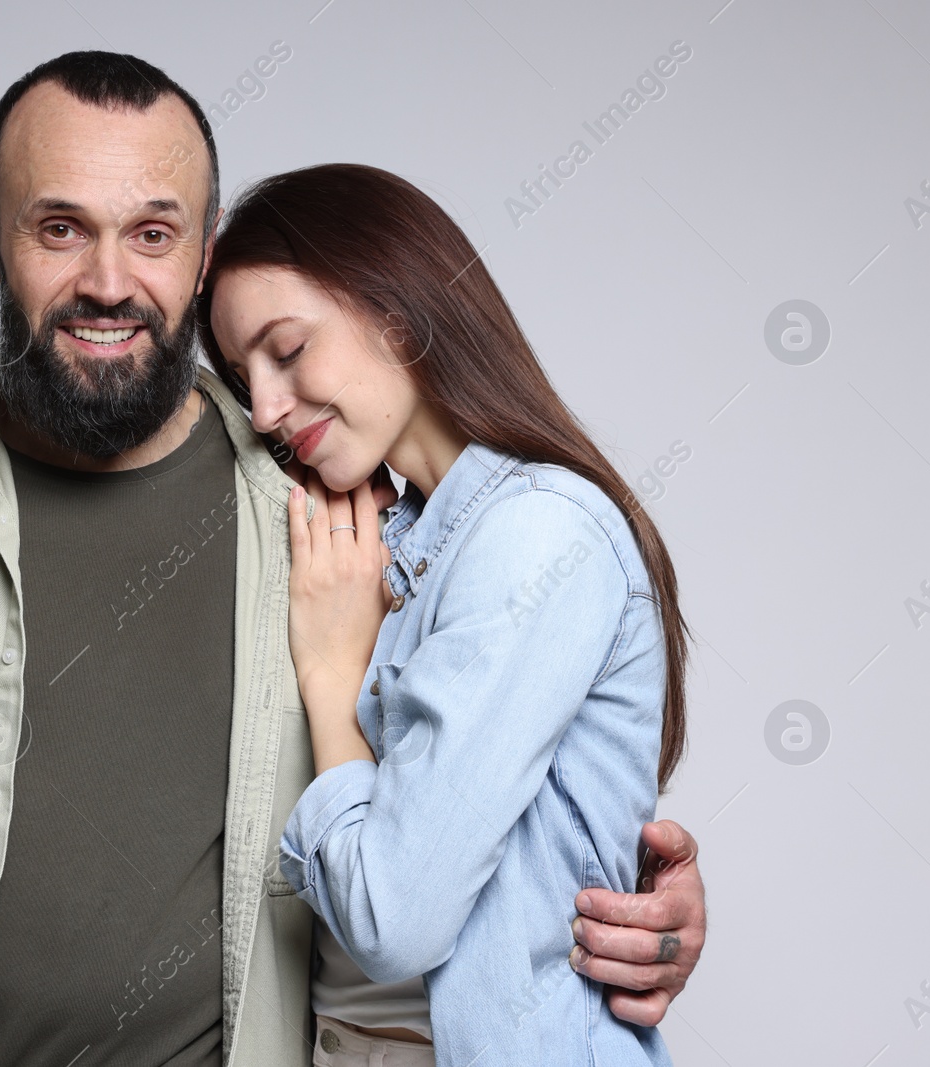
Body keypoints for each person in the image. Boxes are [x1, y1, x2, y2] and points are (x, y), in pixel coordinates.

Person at [0, 53, 706, 1067]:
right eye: (59, 227)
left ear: (203, 253)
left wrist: (625, 900)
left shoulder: (345, 505)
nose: (109, 279)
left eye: (153, 232)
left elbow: (462, 805)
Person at [200, 163, 691, 1065]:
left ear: (393, 309)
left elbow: (396, 918)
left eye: (287, 348)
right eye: (244, 377)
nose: (265, 406)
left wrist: (331, 677)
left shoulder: (539, 532)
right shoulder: (383, 547)